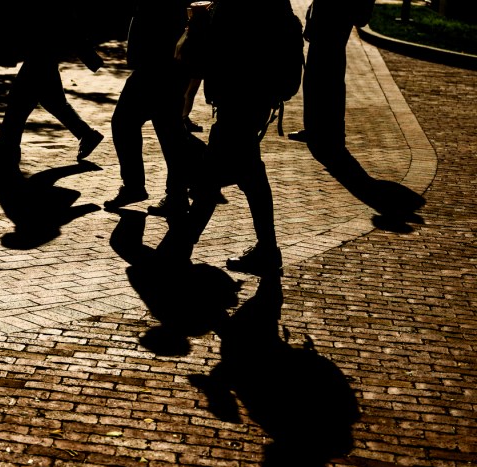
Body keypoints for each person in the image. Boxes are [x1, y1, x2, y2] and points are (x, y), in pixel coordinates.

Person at [158, 0, 297, 276]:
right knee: (249, 175)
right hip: (255, 96)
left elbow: (220, 48)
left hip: (239, 97)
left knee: (214, 173)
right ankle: (266, 250)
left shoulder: (238, 6)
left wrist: (201, 22)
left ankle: (182, 243)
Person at [0, 2, 105, 175]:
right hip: (44, 53)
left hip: (40, 53)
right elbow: (67, 22)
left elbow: (64, 20)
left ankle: (7, 151)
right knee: (53, 102)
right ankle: (86, 134)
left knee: (18, 104)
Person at [103, 0, 194, 218]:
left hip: (157, 64)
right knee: (169, 130)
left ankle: (142, 187)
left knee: (129, 123)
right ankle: (175, 193)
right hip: (164, 63)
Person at [287, 0, 377, 160]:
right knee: (319, 78)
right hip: (328, 20)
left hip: (334, 21)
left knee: (327, 78)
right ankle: (321, 129)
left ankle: (329, 132)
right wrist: (312, 16)